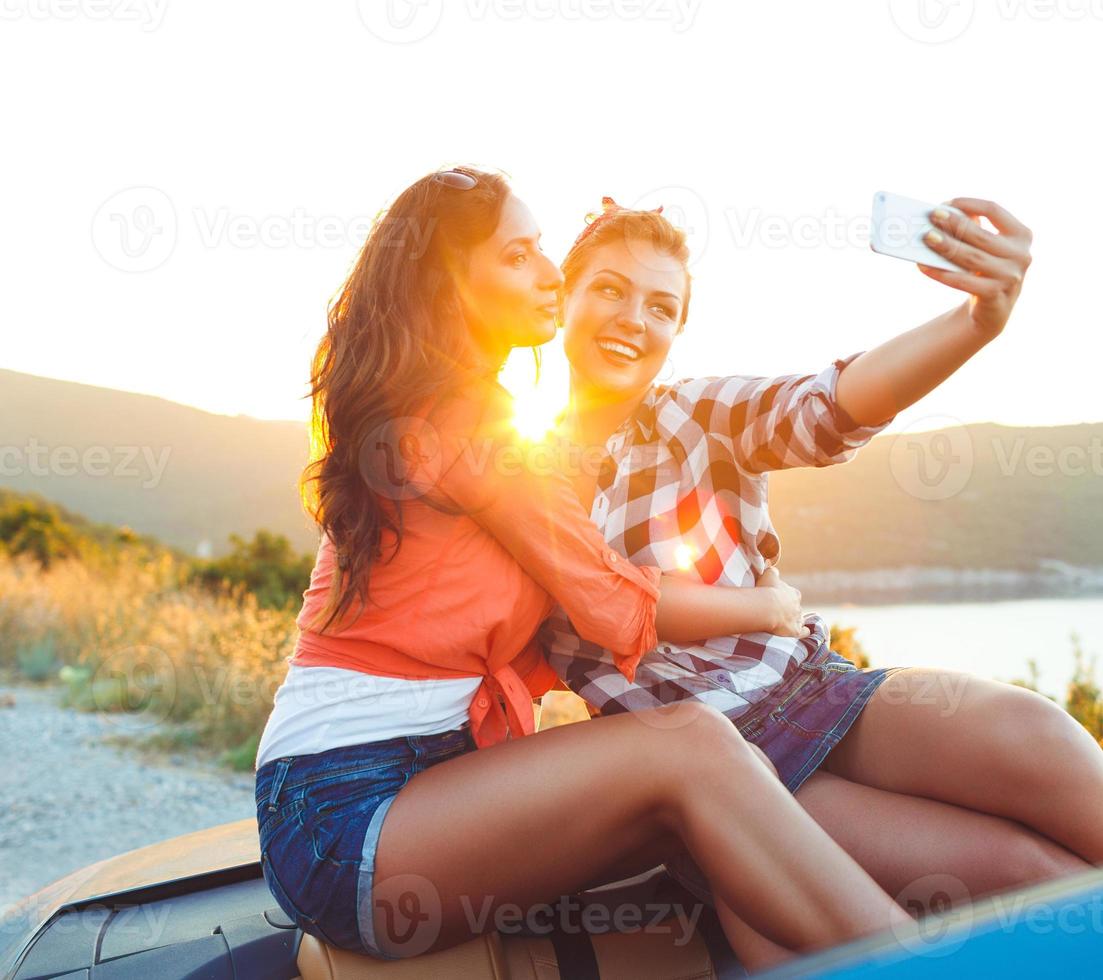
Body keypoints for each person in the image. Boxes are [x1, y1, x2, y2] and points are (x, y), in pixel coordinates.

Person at [253, 167, 911, 962]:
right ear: (450, 280)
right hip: (343, 814)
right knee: (690, 744)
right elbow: (608, 602)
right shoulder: (468, 422)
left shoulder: (460, 415)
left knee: (713, 828)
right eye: (519, 256)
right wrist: (771, 610)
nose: (548, 274)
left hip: (415, 784)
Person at [539, 198, 1103, 970]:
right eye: (609, 289)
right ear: (562, 297)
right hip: (722, 766)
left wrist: (976, 322)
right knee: (1024, 873)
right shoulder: (514, 482)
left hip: (815, 686)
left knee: (1036, 733)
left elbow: (829, 404)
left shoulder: (693, 414)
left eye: (660, 305)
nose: (633, 318)